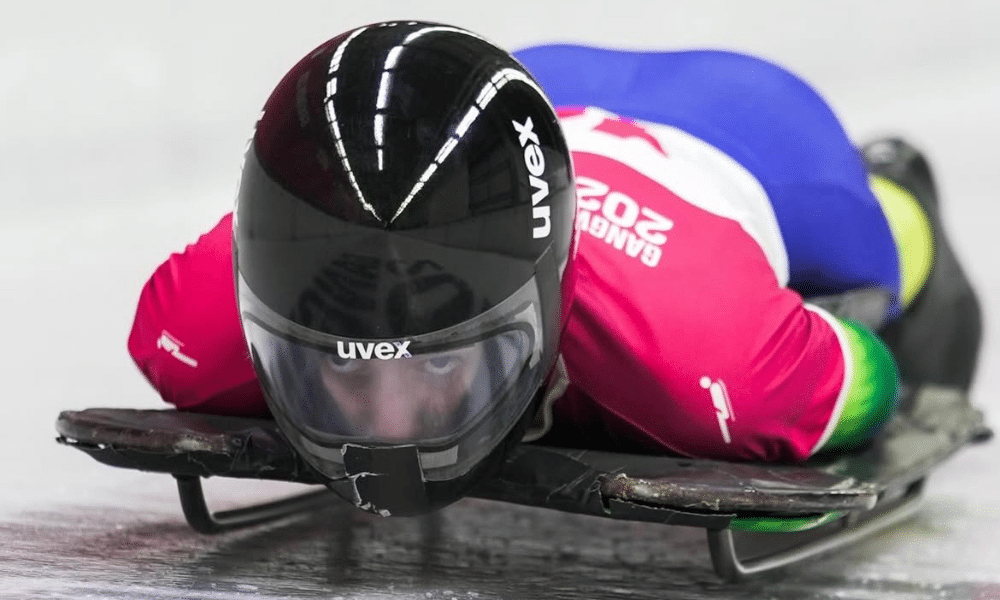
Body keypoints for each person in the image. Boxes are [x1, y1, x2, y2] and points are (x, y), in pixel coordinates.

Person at [127, 21, 981, 517]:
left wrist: (848, 353)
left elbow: (871, 375)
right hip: (534, 89)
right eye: (341, 367)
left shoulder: (711, 358)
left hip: (758, 133)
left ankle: (896, 189)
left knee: (880, 273)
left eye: (440, 365)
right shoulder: (199, 321)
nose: (390, 426)